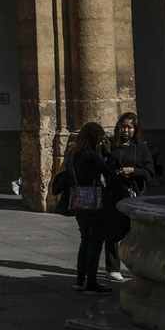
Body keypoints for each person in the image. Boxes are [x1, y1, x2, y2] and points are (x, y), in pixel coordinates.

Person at [67, 121, 121, 295]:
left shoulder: (73, 154)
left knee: (85, 241)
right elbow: (110, 172)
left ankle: (80, 280)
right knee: (96, 242)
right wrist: (109, 154)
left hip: (78, 201)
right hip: (93, 202)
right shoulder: (91, 156)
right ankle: (91, 282)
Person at [102, 112, 155, 282]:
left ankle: (136, 265)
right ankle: (112, 267)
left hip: (134, 194)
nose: (126, 130)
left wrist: (133, 171)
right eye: (123, 127)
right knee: (112, 231)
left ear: (135, 129)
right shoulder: (113, 147)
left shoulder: (141, 148)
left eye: (130, 127)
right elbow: (106, 168)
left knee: (136, 232)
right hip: (115, 193)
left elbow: (149, 173)